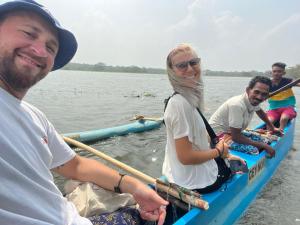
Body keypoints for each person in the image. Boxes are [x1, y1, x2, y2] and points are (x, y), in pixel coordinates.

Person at [0, 1, 168, 225]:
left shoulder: (34, 116)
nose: (40, 51)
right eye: (29, 33)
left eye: (50, 48)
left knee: (149, 212)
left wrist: (135, 186)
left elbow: (75, 165)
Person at [162, 43, 245, 195]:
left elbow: (195, 135)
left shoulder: (188, 97)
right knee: (236, 169)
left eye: (193, 62)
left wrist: (223, 151)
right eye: (182, 65)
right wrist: (218, 151)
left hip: (180, 173)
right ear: (172, 71)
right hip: (196, 181)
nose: (190, 69)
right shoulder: (179, 104)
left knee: (231, 158)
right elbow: (186, 157)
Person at [209, 76, 280, 157]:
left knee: (267, 140)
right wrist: (263, 146)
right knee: (254, 151)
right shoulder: (237, 105)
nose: (259, 97)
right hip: (218, 136)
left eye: (264, 94)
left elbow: (260, 111)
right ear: (248, 90)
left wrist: (271, 126)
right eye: (256, 92)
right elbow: (236, 137)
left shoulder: (253, 101)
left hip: (232, 133)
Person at [267, 62, 299, 131]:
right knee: (269, 121)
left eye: (279, 71)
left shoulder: (288, 81)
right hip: (273, 109)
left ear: (283, 73)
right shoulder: (268, 83)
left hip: (287, 107)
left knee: (284, 118)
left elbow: (298, 84)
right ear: (271, 72)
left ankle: (281, 131)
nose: (276, 73)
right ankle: (268, 135)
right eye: (274, 71)